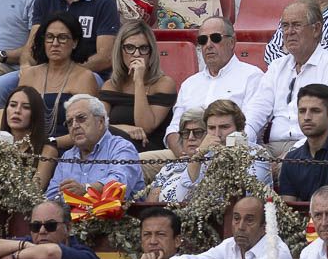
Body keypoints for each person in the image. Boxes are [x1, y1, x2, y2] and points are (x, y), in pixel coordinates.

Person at [244, 0, 328, 156]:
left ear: (316, 29)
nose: (289, 32)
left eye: (296, 25)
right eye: (285, 26)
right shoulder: (276, 67)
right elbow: (256, 111)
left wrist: (293, 154)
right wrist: (242, 140)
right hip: (271, 148)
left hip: (313, 149)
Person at [148, 99, 273, 201]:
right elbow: (181, 198)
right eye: (212, 128)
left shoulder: (256, 152)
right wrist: (199, 154)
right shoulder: (204, 154)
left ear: (239, 129)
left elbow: (250, 196)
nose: (217, 134)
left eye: (224, 127)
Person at [170, 16, 264, 152]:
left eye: (215, 38)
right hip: (185, 156)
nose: (208, 45)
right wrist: (185, 156)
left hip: (231, 155)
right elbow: (173, 130)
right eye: (203, 40)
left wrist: (212, 152)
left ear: (231, 42)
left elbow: (249, 129)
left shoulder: (252, 76)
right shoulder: (189, 84)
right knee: (137, 161)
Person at [146, 195, 295, 259]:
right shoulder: (229, 244)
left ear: (265, 227)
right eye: (236, 219)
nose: (241, 226)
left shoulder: (277, 249)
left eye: (249, 220)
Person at [16, 12, 101, 143]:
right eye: (50, 37)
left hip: (68, 148)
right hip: (29, 146)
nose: (55, 43)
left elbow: (90, 128)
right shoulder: (29, 75)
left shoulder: (85, 77)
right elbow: (17, 120)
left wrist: (52, 144)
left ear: (75, 42)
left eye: (62, 38)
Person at [45, 94, 145, 199]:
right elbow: (51, 196)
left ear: (100, 122)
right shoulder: (68, 156)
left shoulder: (121, 147)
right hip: (71, 214)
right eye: (69, 122)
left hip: (119, 214)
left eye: (81, 118)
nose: (74, 126)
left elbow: (119, 185)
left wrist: (86, 189)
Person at [99, 20, 177, 152]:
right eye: (129, 48)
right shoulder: (110, 85)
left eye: (143, 48)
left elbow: (146, 126)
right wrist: (124, 128)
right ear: (120, 50)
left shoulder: (164, 84)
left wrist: (139, 81)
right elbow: (97, 126)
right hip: (113, 149)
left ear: (151, 52)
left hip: (147, 150)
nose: (136, 54)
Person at [0, 200, 101, 259]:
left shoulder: (86, 255)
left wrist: (13, 256)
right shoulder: (27, 243)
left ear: (68, 228)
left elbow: (51, 252)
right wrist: (23, 245)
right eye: (35, 226)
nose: (42, 231)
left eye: (50, 225)